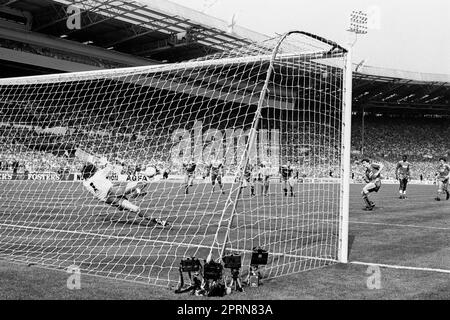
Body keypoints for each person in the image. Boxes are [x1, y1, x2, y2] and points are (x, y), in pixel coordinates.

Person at [81, 159, 168, 227]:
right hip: (114, 190)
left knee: (135, 209)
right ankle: (138, 191)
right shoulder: (99, 174)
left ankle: (156, 220)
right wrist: (109, 163)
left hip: (110, 200)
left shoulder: (85, 183)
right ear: (92, 171)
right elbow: (110, 167)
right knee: (142, 182)